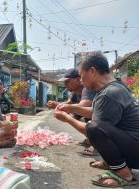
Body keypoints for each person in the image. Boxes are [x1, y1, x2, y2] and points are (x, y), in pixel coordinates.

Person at [54, 52, 139, 187]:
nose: (80, 80)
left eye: (82, 75)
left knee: (94, 128)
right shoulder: (115, 87)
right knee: (98, 126)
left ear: (92, 71)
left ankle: (124, 173)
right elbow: (98, 112)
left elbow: (95, 129)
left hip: (135, 152)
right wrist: (71, 108)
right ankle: (112, 163)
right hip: (133, 144)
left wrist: (66, 119)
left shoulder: (108, 94)